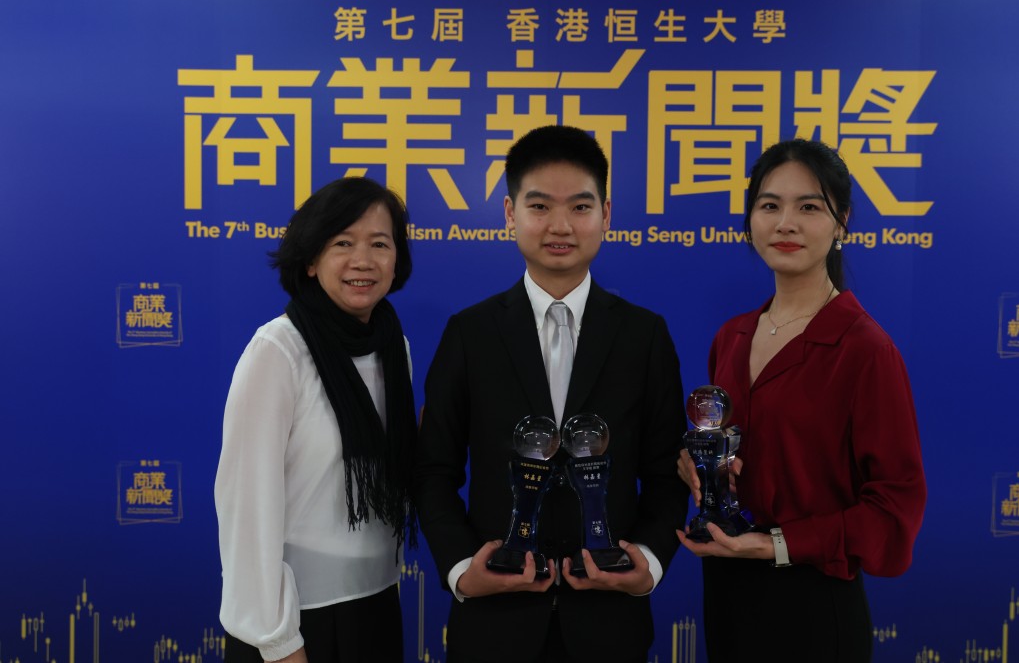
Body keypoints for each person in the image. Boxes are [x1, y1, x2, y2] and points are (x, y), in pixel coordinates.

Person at [413, 125, 688, 663]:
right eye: (539, 206)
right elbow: (432, 472)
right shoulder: (469, 334)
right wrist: (461, 572)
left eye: (580, 207)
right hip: (495, 622)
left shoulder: (643, 334)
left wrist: (648, 566)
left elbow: (665, 474)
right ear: (511, 214)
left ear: (606, 216)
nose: (560, 225)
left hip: (610, 623)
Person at [676, 139, 927, 662]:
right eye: (769, 205)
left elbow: (894, 509)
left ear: (841, 224)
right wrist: (698, 468)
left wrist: (774, 544)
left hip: (813, 606)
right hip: (727, 592)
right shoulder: (732, 337)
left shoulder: (864, 349)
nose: (785, 223)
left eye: (809, 207)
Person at [215, 177, 417, 663]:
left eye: (379, 244)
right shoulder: (278, 352)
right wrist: (279, 641)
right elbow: (246, 507)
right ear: (310, 260)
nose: (363, 261)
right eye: (342, 243)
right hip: (295, 622)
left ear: (397, 259)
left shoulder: (393, 347)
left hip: (377, 604)